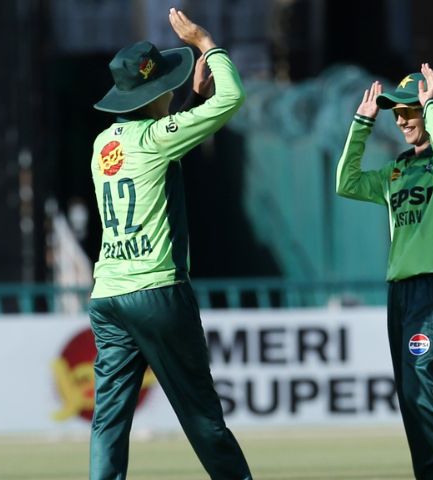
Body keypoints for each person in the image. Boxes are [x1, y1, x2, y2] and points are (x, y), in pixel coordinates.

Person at [87, 8, 251, 480]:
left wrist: (187, 103)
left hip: (108, 295)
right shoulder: (157, 137)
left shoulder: (104, 144)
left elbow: (154, 141)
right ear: (155, 91)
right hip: (156, 291)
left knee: (109, 420)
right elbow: (232, 98)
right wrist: (206, 44)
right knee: (201, 415)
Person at [336, 65, 433, 479]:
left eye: (410, 111)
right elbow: (346, 182)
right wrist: (362, 124)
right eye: (396, 113)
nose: (402, 119)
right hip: (401, 294)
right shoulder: (396, 170)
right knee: (410, 395)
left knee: (425, 384)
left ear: (430, 111)